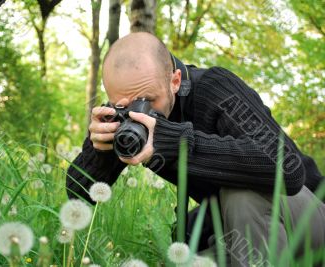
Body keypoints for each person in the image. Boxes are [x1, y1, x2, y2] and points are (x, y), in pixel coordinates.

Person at [66, 32, 325, 266]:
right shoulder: (128, 119)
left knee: (241, 196)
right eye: (126, 105)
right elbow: (78, 197)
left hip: (309, 217)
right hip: (240, 231)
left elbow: (288, 169)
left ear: (175, 80)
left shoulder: (215, 88)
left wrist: (172, 142)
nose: (140, 114)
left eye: (149, 101)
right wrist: (98, 151)